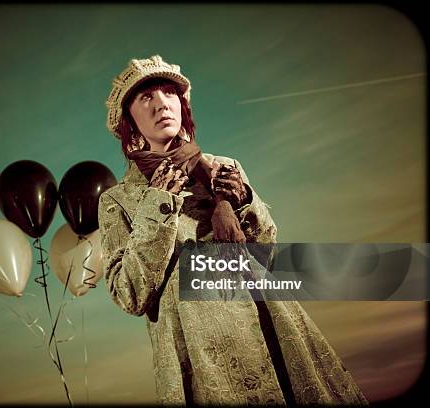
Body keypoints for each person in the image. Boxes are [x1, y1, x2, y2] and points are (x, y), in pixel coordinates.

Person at [98, 55, 368, 405]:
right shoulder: (118, 200)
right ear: (129, 121)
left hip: (271, 325)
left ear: (182, 104)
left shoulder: (224, 168)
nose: (162, 103)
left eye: (169, 93)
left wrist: (243, 202)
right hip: (199, 355)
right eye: (145, 97)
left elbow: (268, 253)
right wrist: (158, 203)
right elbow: (129, 294)